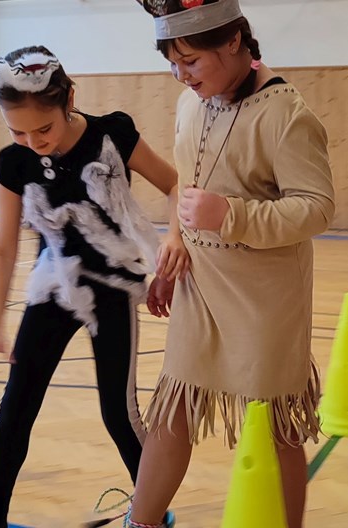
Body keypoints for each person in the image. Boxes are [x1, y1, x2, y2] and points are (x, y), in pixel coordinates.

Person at [0, 45, 189, 528]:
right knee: (16, 406)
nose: (32, 141)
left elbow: (175, 185)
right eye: (18, 132)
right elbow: (2, 249)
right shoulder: (15, 162)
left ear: (69, 100)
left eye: (43, 129)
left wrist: (173, 239)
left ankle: (151, 514)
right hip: (53, 288)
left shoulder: (113, 133)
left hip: (113, 287)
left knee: (118, 413)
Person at [127, 2, 335, 527]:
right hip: (199, 286)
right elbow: (186, 182)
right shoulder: (190, 103)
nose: (181, 76)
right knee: (172, 408)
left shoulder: (287, 114)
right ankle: (140, 522)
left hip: (265, 300)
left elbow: (317, 208)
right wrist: (175, 243)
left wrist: (231, 215)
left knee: (276, 426)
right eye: (172, 64)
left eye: (191, 61)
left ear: (234, 41)